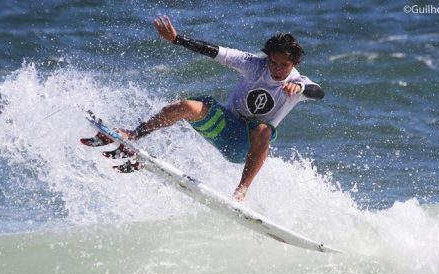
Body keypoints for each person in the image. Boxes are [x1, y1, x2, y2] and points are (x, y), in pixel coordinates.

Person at [116, 16, 325, 201]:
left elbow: (318, 92)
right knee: (185, 106)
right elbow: (214, 51)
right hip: (222, 126)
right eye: (273, 63)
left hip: (245, 147)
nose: (277, 69)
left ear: (294, 63)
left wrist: (299, 87)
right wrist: (177, 39)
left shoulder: (299, 82)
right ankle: (133, 134)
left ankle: (241, 191)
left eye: (284, 65)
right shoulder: (254, 65)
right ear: (267, 58)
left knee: (263, 130)